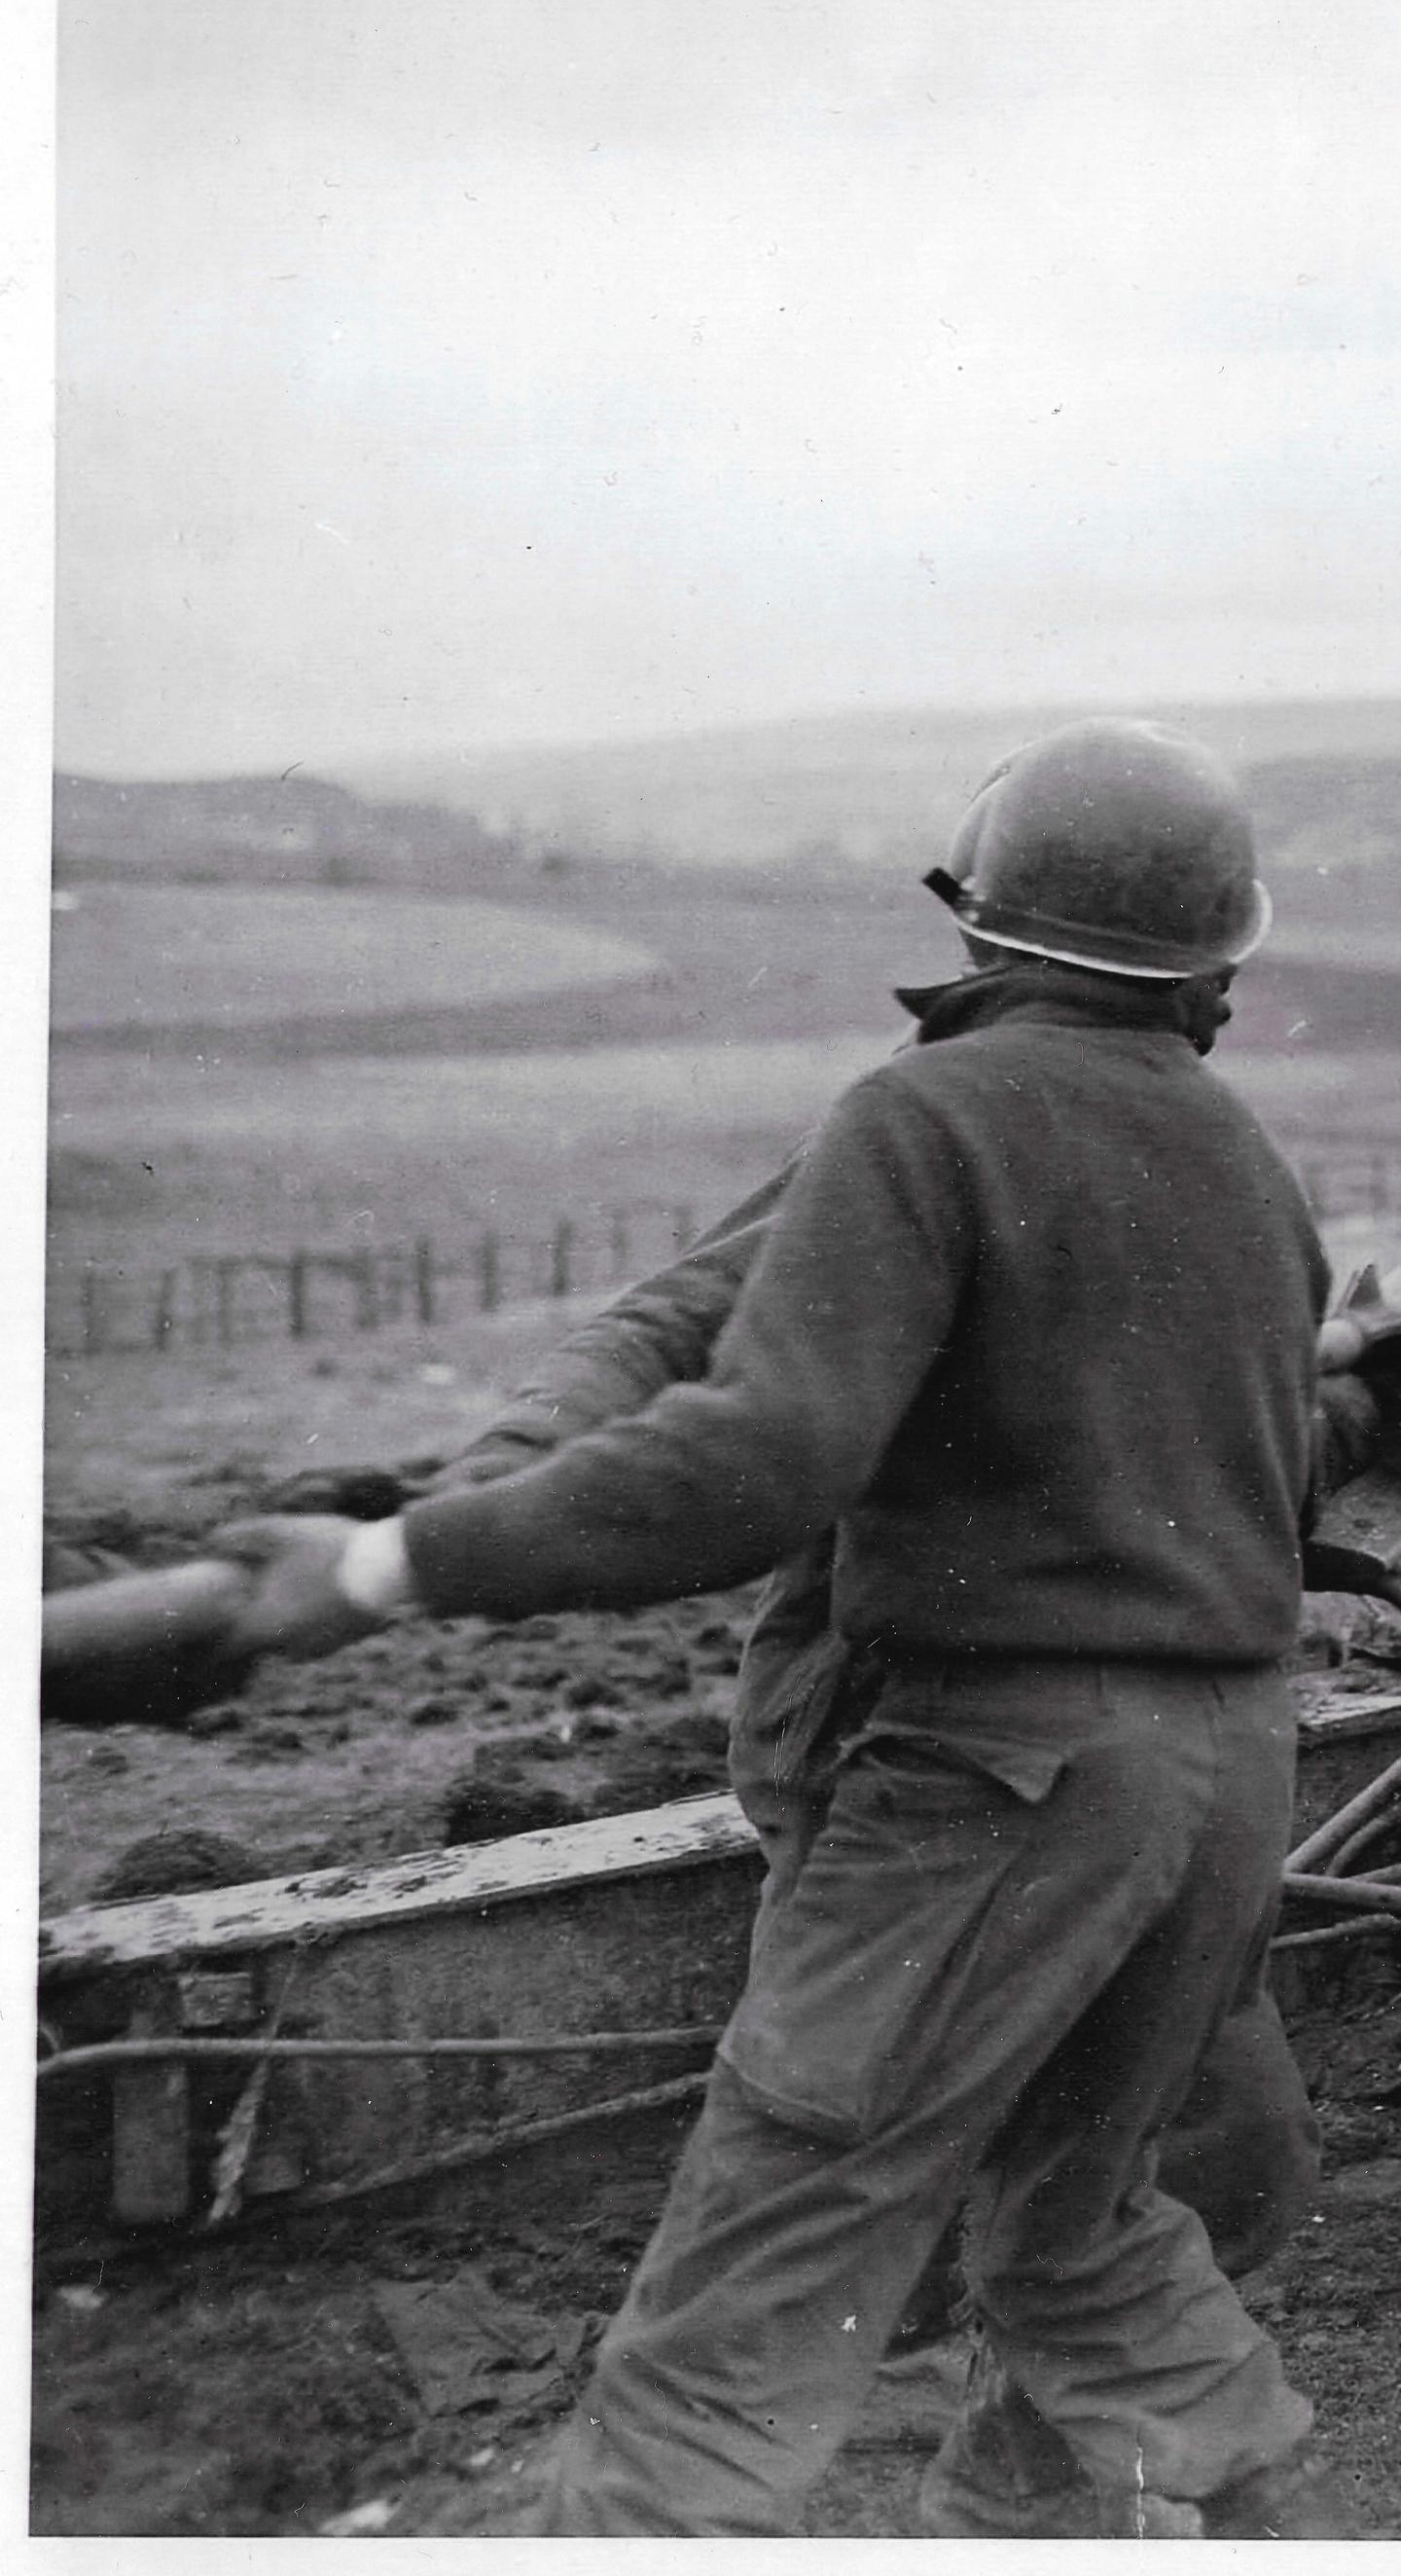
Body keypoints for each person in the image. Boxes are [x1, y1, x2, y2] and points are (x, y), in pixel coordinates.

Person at [207, 719, 1340, 2538]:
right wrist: (498, 1468)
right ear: (1222, 956)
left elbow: (762, 1450)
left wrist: (386, 1569)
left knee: (759, 2275)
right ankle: (1265, 2503)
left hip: (997, 1784)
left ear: (979, 922)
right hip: (1220, 1779)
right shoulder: (1240, 1159)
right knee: (1080, 2218)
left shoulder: (930, 1116)